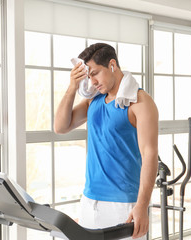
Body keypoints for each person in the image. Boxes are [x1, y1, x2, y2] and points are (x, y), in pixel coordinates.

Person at [54, 43, 158, 239]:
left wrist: (142, 206)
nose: (92, 82)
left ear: (112, 65)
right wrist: (72, 87)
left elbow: (150, 155)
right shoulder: (95, 100)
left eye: (95, 73)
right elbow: (60, 127)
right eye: (88, 76)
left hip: (124, 205)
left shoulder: (140, 102)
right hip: (90, 201)